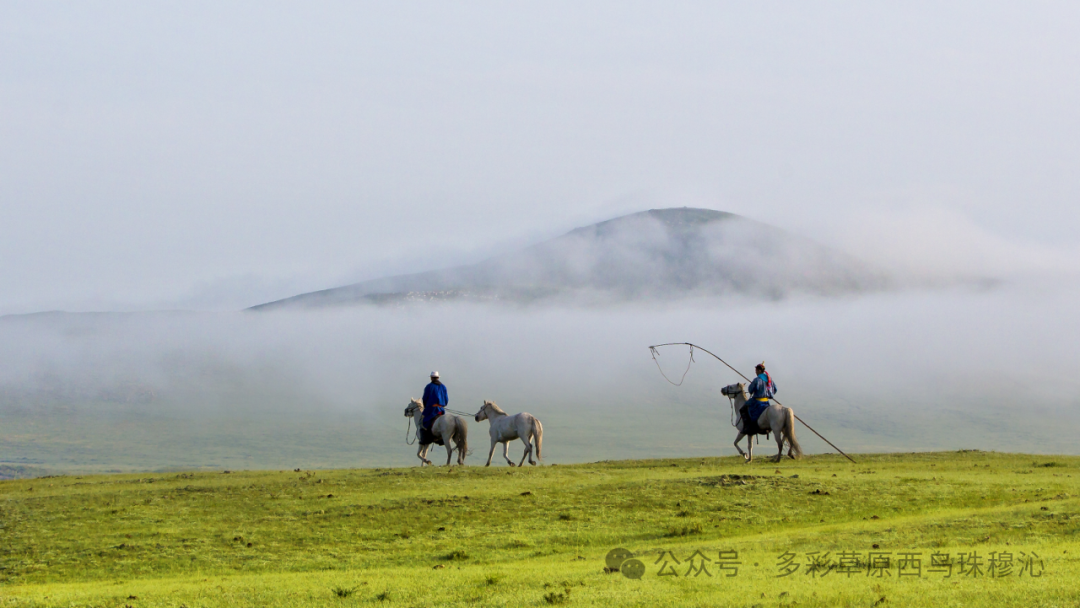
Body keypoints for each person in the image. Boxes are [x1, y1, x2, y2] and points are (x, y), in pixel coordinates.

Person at [743, 362, 776, 431]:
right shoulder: (770, 379)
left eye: (756, 370)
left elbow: (750, 390)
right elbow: (775, 389)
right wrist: (768, 395)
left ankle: (749, 427)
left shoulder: (757, 380)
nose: (756, 372)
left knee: (745, 406)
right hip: (766, 401)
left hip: (757, 402)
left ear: (760, 370)